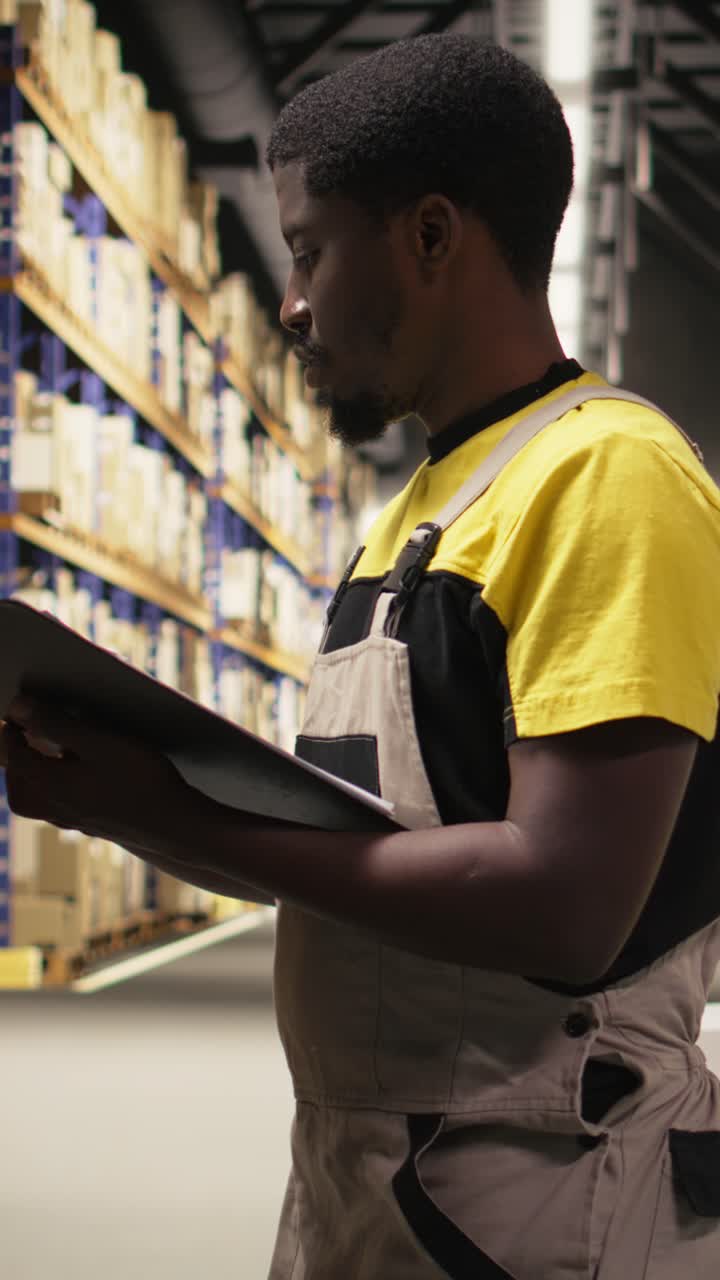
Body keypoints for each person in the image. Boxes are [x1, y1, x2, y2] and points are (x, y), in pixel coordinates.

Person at [3, 33, 720, 1279]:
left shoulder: (608, 474)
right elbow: (367, 849)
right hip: (386, 1176)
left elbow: (567, 901)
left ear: (430, 235)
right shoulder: (422, 510)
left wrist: (181, 817)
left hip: (553, 1196)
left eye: (309, 250)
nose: (291, 302)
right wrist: (121, 801)